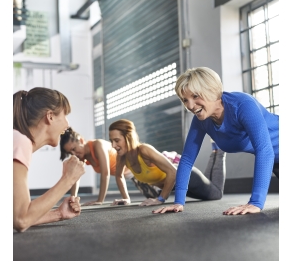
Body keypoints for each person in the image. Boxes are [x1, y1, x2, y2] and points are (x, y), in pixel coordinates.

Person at [153, 67, 279, 215]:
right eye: (185, 100)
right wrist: (178, 202)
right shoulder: (202, 120)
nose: (190, 106)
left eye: (195, 96)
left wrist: (255, 203)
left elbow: (264, 150)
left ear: (212, 91)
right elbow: (187, 159)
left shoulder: (242, 105)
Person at [13, 87, 85, 233]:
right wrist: (68, 178)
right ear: (50, 116)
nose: (67, 125)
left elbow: (13, 215)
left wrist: (58, 214)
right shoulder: (20, 141)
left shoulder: (16, 139)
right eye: (65, 114)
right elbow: (21, 219)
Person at [108, 119, 226, 206]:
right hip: (176, 185)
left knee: (216, 194)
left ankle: (219, 150)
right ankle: (216, 150)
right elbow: (119, 176)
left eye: (117, 140)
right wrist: (126, 198)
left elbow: (173, 172)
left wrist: (161, 199)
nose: (113, 145)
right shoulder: (122, 156)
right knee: (210, 190)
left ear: (128, 137)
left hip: (186, 176)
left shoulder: (144, 150)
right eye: (111, 141)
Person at [59, 127, 161, 206]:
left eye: (74, 149)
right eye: (70, 152)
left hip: (143, 167)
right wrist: (73, 198)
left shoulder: (98, 145)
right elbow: (76, 177)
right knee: (153, 197)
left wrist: (100, 200)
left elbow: (105, 173)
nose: (74, 153)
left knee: (169, 184)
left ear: (81, 140)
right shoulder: (82, 156)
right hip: (133, 176)